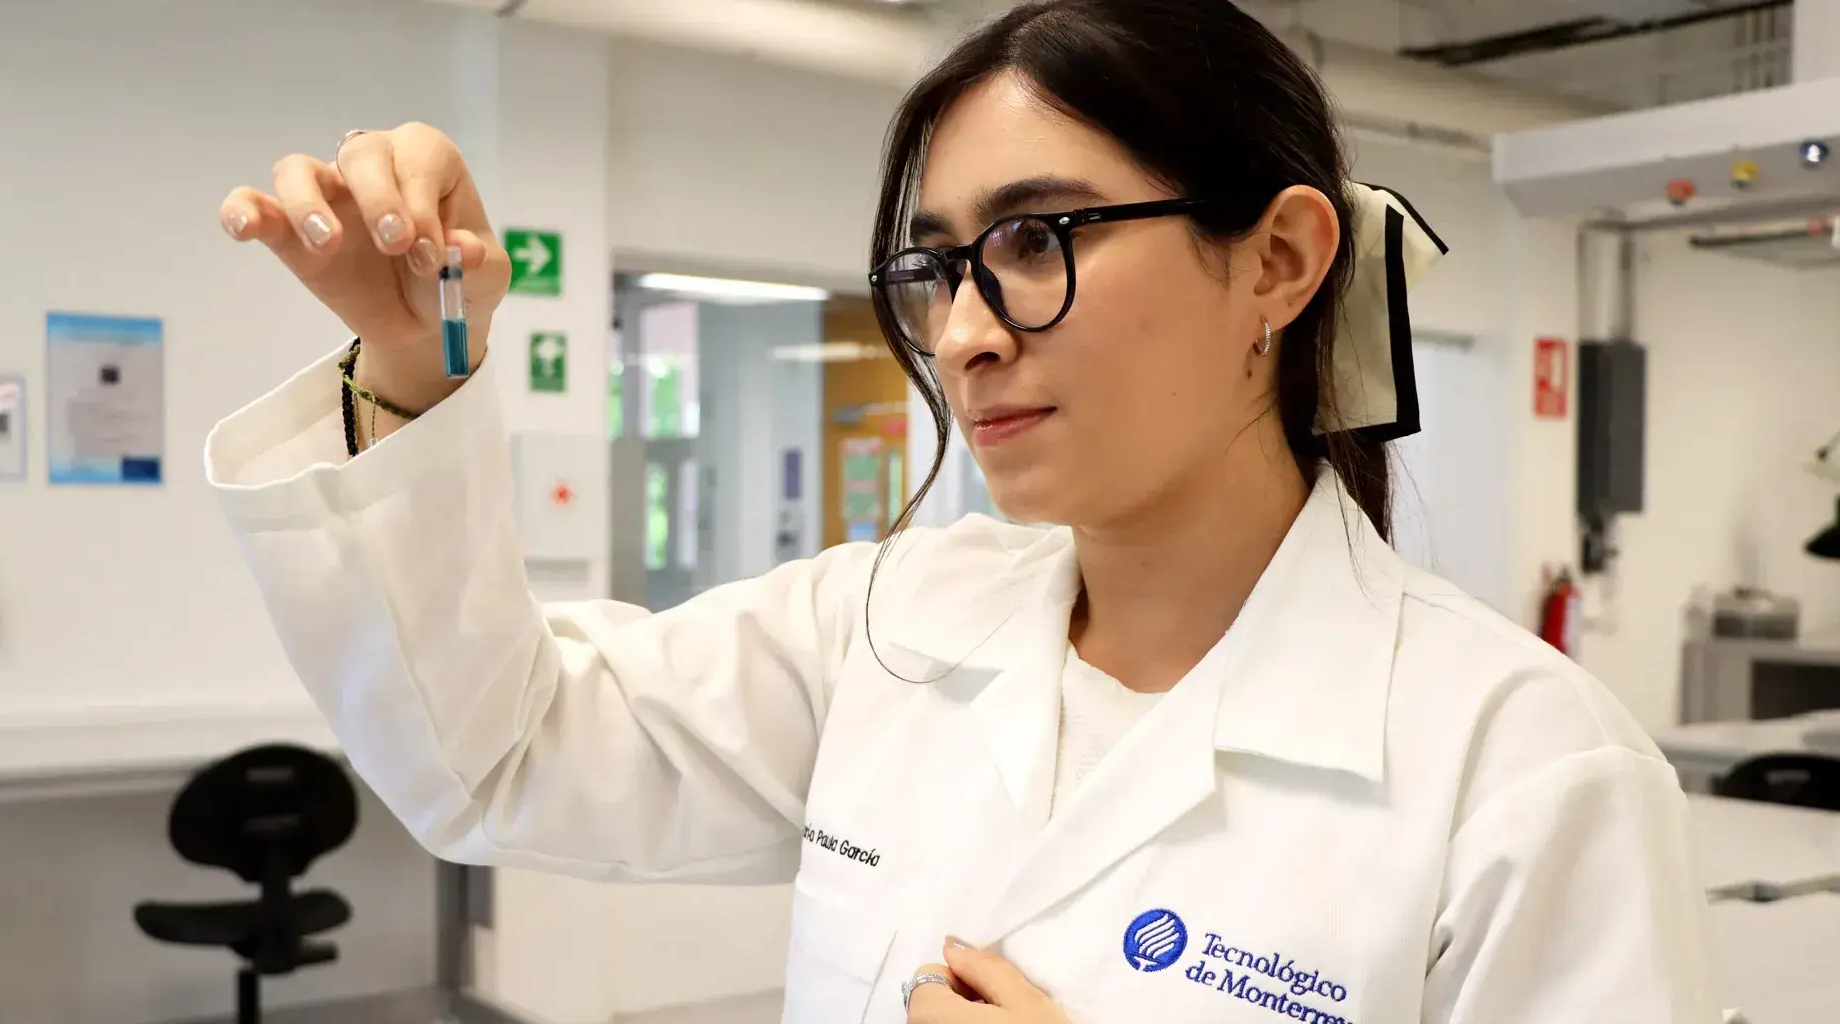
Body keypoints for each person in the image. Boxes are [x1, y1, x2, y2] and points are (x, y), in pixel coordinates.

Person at [207, 1, 1711, 1022]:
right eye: (936, 267)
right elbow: (497, 754)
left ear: (1277, 262)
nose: (964, 332)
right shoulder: (889, 630)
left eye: (1038, 240)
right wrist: (415, 363)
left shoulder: (1523, 776)